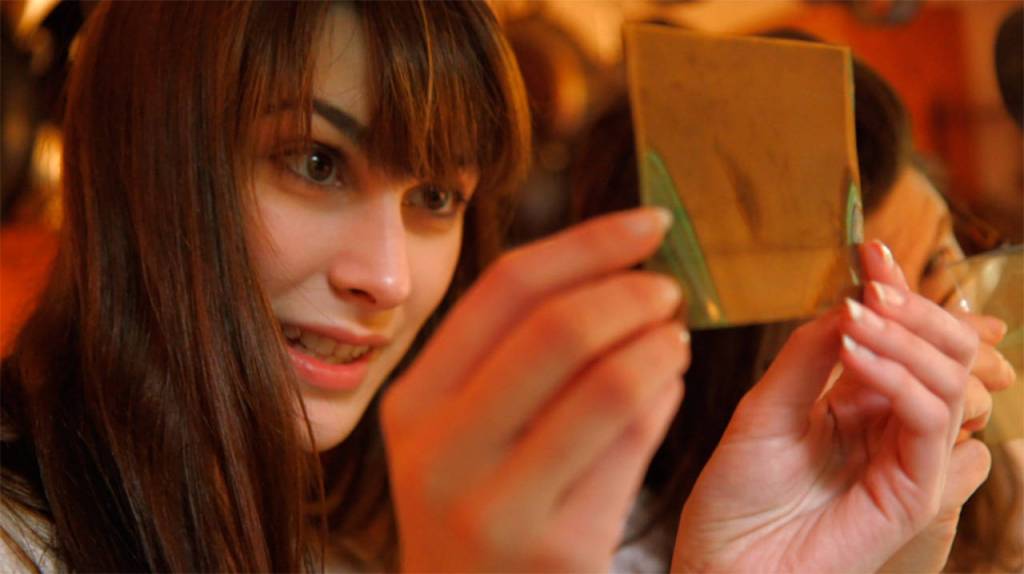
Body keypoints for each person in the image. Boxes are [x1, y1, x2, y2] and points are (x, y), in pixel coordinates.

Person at [0, 2, 981, 572]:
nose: (386, 277)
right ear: (141, 158)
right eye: (314, 161)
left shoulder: (343, 544)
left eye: (434, 197)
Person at [571, 51, 1016, 573]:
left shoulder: (995, 477)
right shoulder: (597, 554)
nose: (959, 330)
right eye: (874, 321)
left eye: (944, 256)